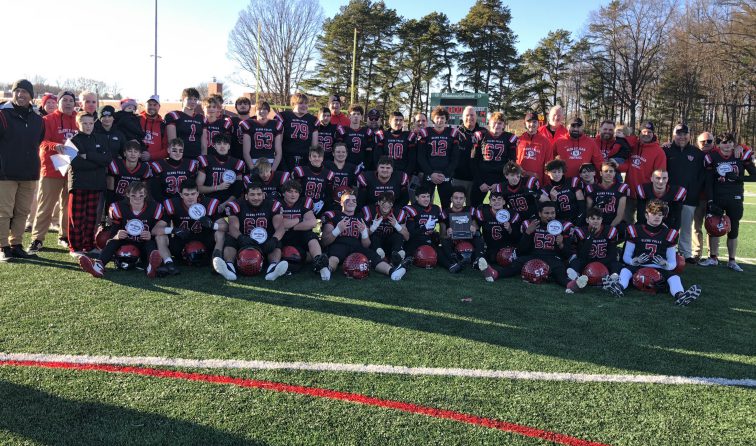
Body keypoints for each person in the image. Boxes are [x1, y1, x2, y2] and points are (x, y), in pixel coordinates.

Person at [603, 199, 701, 305]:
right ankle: (618, 287)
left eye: (660, 214)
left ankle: (681, 295)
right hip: (639, 266)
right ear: (646, 215)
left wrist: (666, 264)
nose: (657, 217)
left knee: (675, 277)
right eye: (653, 214)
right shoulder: (635, 230)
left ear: (663, 216)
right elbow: (626, 256)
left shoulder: (669, 234)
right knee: (625, 271)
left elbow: (673, 263)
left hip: (658, 268)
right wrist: (634, 261)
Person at [480, 201, 587, 294]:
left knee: (559, 271)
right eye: (546, 213)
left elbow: (568, 254)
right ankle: (494, 273)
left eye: (552, 213)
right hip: (532, 255)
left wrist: (561, 244)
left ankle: (571, 285)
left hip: (552, 257)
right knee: (515, 265)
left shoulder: (562, 226)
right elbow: (521, 250)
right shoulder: (531, 224)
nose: (550, 216)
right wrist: (527, 233)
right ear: (539, 214)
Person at [78, 181, 168, 279]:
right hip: (125, 241)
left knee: (150, 244)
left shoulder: (155, 208)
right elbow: (113, 233)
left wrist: (151, 234)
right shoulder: (118, 208)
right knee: (113, 242)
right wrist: (117, 235)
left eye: (141, 195)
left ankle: (151, 267)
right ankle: (99, 266)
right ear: (128, 194)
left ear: (145, 195)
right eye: (134, 195)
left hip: (143, 241)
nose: (137, 198)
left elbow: (157, 230)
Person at [0, 79, 44, 261]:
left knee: (22, 212)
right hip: (5, 173)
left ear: (31, 96)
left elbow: (37, 142)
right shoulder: (2, 114)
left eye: (25, 92)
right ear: (12, 93)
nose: (21, 95)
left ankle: (16, 244)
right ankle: (3, 247)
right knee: (4, 212)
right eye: (17, 91)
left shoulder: (38, 119)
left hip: (29, 173)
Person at [320, 190, 408, 281]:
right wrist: (337, 230)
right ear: (341, 203)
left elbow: (366, 245)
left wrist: (365, 234)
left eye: (354, 201)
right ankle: (327, 270)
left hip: (357, 246)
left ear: (356, 204)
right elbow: (324, 241)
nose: (351, 202)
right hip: (339, 244)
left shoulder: (361, 218)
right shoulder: (333, 215)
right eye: (347, 200)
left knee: (374, 257)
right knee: (335, 257)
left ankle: (392, 271)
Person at [28, 90, 77, 253]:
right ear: (59, 102)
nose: (68, 103)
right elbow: (40, 142)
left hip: (72, 170)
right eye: (65, 100)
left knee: (67, 205)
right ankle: (37, 238)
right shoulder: (48, 119)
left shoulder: (79, 119)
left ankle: (64, 236)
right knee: (46, 205)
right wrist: (54, 146)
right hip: (52, 168)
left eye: (71, 100)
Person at [699, 132, 755, 271]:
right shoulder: (711, 157)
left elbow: (754, 176)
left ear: (734, 143)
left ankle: (732, 260)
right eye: (724, 142)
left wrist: (739, 178)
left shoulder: (740, 155)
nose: (727, 145)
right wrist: (711, 200)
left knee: (734, 229)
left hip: (734, 197)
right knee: (712, 227)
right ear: (718, 144)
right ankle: (712, 258)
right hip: (717, 196)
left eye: (730, 142)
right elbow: (709, 181)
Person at [161, 178, 231, 279]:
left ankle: (216, 261)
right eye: (186, 194)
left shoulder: (208, 204)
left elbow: (226, 226)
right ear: (180, 195)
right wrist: (173, 230)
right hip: (183, 239)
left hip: (204, 238)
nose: (190, 197)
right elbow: (156, 229)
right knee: (161, 237)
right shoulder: (173, 204)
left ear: (198, 193)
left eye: (193, 194)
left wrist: (212, 225)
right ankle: (169, 264)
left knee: (220, 232)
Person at [67, 112, 112, 256]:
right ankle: (75, 247)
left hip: (96, 183)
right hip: (78, 184)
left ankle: (90, 245)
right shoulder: (72, 141)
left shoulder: (100, 138)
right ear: (78, 124)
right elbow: (76, 163)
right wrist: (97, 162)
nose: (88, 126)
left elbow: (107, 159)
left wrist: (89, 156)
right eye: (85, 123)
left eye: (90, 123)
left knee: (92, 218)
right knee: (77, 217)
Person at [224, 182, 288, 281]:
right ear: (246, 196)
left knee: (277, 241)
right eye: (252, 194)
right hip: (244, 239)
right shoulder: (237, 205)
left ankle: (273, 268)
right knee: (231, 238)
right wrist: (241, 237)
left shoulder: (272, 205)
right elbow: (232, 227)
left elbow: (280, 227)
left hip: (265, 240)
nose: (256, 198)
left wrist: (274, 240)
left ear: (263, 195)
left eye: (259, 194)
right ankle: (229, 267)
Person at [663, 124, 705, 263]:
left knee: (686, 227)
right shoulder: (665, 150)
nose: (682, 137)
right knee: (666, 225)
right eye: (679, 134)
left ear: (689, 135)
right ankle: (663, 250)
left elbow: (701, 175)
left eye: (684, 134)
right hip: (668, 196)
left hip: (689, 197)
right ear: (673, 135)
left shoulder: (697, 153)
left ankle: (685, 254)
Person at [277, 179, 330, 279]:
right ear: (283, 193)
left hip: (298, 234)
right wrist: (300, 219)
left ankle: (320, 263)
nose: (293, 195)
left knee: (311, 236)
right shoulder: (278, 203)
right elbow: (281, 224)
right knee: (293, 255)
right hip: (283, 236)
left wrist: (291, 227)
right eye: (290, 191)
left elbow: (313, 222)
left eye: (296, 192)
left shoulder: (303, 202)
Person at [620, 121, 667, 224]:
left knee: (644, 224)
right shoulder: (633, 146)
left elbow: (660, 176)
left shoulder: (659, 152)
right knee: (626, 223)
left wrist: (656, 195)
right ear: (640, 132)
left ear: (653, 134)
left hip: (647, 195)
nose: (646, 134)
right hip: (629, 193)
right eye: (644, 131)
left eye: (649, 132)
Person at [402, 185, 456, 271]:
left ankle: (453, 260)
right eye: (423, 197)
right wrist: (424, 228)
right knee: (431, 246)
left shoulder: (435, 209)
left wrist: (449, 228)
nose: (426, 199)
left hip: (429, 238)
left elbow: (444, 221)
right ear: (416, 198)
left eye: (428, 196)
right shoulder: (410, 209)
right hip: (414, 239)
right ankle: (449, 265)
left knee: (440, 243)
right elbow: (410, 233)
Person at [470, 112, 517, 207]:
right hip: (482, 177)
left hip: (500, 177)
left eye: (500, 123)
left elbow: (511, 164)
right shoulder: (481, 136)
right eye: (494, 122)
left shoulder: (509, 138)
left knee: (501, 208)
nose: (497, 125)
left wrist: (500, 184)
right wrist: (480, 182)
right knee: (474, 206)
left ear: (504, 125)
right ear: (489, 123)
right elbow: (473, 162)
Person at [416, 106, 460, 207]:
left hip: (445, 174)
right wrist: (431, 173)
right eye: (437, 117)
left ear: (446, 119)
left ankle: (444, 223)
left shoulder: (452, 133)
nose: (440, 120)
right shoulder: (425, 132)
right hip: (429, 173)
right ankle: (424, 222)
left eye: (442, 118)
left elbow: (455, 158)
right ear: (433, 119)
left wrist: (445, 174)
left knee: (446, 204)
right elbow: (421, 157)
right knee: (424, 203)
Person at [568, 208, 621, 282]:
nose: (595, 221)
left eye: (598, 218)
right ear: (587, 220)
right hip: (587, 260)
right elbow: (582, 255)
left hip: (604, 260)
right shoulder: (581, 232)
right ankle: (576, 278)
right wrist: (590, 237)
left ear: (602, 220)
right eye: (593, 218)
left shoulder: (609, 231)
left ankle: (612, 279)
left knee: (616, 264)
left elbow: (612, 254)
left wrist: (600, 263)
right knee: (576, 262)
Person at [440, 186, 486, 272]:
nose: (458, 200)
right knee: (444, 242)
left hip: (468, 238)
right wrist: (447, 232)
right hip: (453, 240)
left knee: (478, 237)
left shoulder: (470, 210)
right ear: (451, 199)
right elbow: (442, 236)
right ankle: (453, 260)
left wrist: (474, 229)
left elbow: (476, 228)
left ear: (465, 199)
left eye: (461, 198)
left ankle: (478, 259)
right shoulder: (445, 212)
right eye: (456, 198)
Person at [196, 134, 245, 213]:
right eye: (219, 144)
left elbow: (238, 190)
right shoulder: (206, 160)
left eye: (225, 144)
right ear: (214, 146)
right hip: (208, 200)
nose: (222, 146)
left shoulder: (237, 163)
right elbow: (198, 188)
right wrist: (217, 187)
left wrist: (225, 204)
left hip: (228, 202)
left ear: (229, 146)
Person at [473, 189, 522, 265]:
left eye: (499, 199)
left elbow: (518, 237)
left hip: (507, 246)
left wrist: (510, 229)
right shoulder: (484, 212)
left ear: (504, 202)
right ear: (490, 203)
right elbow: (476, 226)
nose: (496, 202)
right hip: (491, 246)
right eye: (493, 200)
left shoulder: (512, 214)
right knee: (492, 258)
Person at [362, 192, 410, 265]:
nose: (386, 205)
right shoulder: (370, 211)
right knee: (373, 237)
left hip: (390, 243)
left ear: (392, 204)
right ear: (378, 202)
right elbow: (365, 237)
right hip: (376, 243)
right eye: (383, 202)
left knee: (398, 236)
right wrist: (373, 227)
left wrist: (397, 226)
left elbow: (407, 237)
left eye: (389, 203)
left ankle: (396, 256)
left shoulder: (398, 213)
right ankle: (382, 257)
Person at [106, 141, 153, 212]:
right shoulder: (116, 165)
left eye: (135, 151)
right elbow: (110, 190)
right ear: (124, 153)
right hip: (117, 200)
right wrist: (110, 207)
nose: (133, 154)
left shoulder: (144, 168)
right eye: (130, 151)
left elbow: (143, 191)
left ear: (140, 154)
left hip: (134, 202)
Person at [585, 160, 629, 235]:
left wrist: (608, 229)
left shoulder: (621, 188)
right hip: (596, 223)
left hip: (614, 223)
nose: (608, 173)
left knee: (625, 229)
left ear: (615, 173)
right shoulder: (591, 188)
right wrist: (597, 227)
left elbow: (620, 215)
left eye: (611, 171)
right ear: (601, 173)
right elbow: (588, 211)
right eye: (606, 171)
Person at [694, 132, 718, 263]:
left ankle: (713, 255)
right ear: (698, 142)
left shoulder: (718, 154)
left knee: (713, 227)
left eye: (709, 141)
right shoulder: (694, 153)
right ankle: (696, 254)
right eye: (703, 141)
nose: (706, 143)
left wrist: (740, 147)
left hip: (714, 197)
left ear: (714, 142)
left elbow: (736, 149)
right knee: (696, 227)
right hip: (697, 197)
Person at [165, 88, 208, 159]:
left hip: (197, 157)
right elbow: (172, 142)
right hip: (180, 157)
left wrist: (203, 159)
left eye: (195, 99)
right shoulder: (174, 116)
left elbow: (204, 144)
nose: (193, 102)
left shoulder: (201, 118)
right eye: (190, 99)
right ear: (183, 99)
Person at [279, 92, 318, 170]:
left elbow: (314, 146)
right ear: (293, 104)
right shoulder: (284, 116)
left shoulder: (313, 120)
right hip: (286, 157)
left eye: (306, 103)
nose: (304, 106)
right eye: (300, 103)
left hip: (305, 159)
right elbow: (278, 143)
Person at [539, 159, 585, 225]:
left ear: (563, 172)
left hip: (576, 217)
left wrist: (579, 220)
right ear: (547, 173)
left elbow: (582, 205)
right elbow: (549, 213)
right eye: (554, 172)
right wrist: (553, 200)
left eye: (559, 172)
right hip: (559, 221)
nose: (557, 174)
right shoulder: (545, 189)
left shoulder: (572, 182)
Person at [291, 146, 334, 217]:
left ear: (323, 158)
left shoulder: (329, 174)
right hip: (302, 204)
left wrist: (323, 204)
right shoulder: (300, 171)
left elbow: (328, 194)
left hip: (319, 206)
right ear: (309, 158)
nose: (317, 158)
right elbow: (295, 191)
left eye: (319, 156)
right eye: (314, 156)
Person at [240, 101, 283, 171]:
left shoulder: (275, 124)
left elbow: (278, 152)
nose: (262, 111)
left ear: (268, 111)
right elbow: (245, 152)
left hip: (270, 161)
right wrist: (252, 169)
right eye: (259, 109)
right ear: (255, 111)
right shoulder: (248, 124)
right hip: (254, 161)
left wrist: (272, 170)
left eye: (265, 109)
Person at [453, 106, 483, 202]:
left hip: (476, 180)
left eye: (472, 115)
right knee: (456, 208)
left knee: (473, 208)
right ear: (462, 117)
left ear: (476, 117)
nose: (470, 117)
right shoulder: (455, 133)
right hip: (458, 178)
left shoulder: (484, 133)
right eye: (467, 115)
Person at [373, 111, 417, 175]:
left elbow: (412, 158)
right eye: (396, 120)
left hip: (402, 171)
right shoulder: (382, 135)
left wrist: (407, 173)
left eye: (401, 120)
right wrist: (381, 171)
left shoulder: (409, 136)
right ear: (390, 121)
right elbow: (377, 157)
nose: (398, 122)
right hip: (385, 171)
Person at [517, 111, 553, 184]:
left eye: (534, 122)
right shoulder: (519, 140)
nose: (532, 124)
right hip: (520, 181)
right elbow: (513, 162)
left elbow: (548, 165)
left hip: (537, 182)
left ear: (538, 123)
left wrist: (546, 184)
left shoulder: (545, 142)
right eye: (529, 122)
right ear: (525, 123)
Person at [324, 142, 358, 211]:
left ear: (347, 154)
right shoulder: (326, 165)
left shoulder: (352, 168)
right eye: (338, 152)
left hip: (346, 201)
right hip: (330, 200)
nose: (341, 154)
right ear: (333, 153)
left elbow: (355, 187)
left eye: (343, 152)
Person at [341, 104, 375, 170]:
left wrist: (365, 165)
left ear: (361, 117)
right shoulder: (343, 130)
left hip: (361, 165)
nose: (356, 116)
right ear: (349, 116)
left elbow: (369, 153)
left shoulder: (367, 132)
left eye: (358, 114)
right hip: (346, 165)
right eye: (353, 114)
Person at [139, 95, 167, 162]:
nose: (152, 107)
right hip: (137, 163)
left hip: (156, 165)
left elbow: (167, 150)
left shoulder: (163, 125)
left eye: (155, 105)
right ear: (145, 106)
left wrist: (151, 156)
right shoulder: (137, 120)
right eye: (149, 104)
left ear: (159, 107)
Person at [229, 96, 252, 160]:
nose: (242, 105)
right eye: (240, 104)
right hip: (234, 157)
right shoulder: (231, 121)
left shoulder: (254, 121)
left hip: (251, 157)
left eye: (245, 103)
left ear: (250, 106)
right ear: (236, 107)